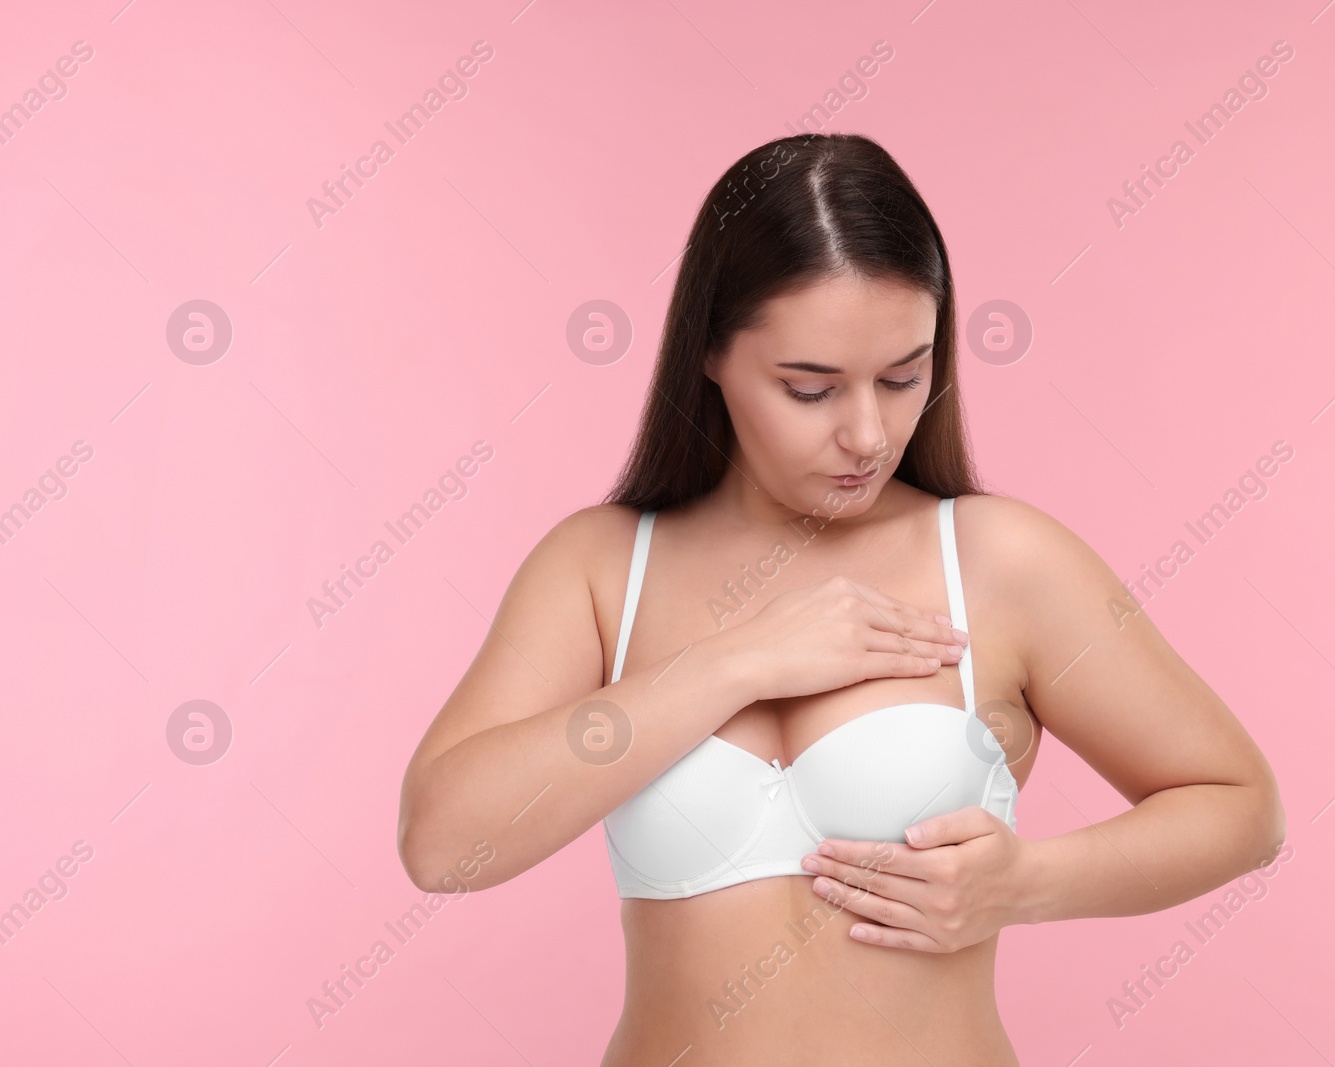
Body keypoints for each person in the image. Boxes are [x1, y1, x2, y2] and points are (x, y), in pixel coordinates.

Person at [397, 132, 1284, 1065]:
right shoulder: (601, 568)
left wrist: (1027, 882)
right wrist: (736, 660)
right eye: (810, 389)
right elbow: (444, 842)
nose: (868, 433)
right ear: (708, 351)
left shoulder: (997, 560)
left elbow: (1241, 804)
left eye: (904, 377)